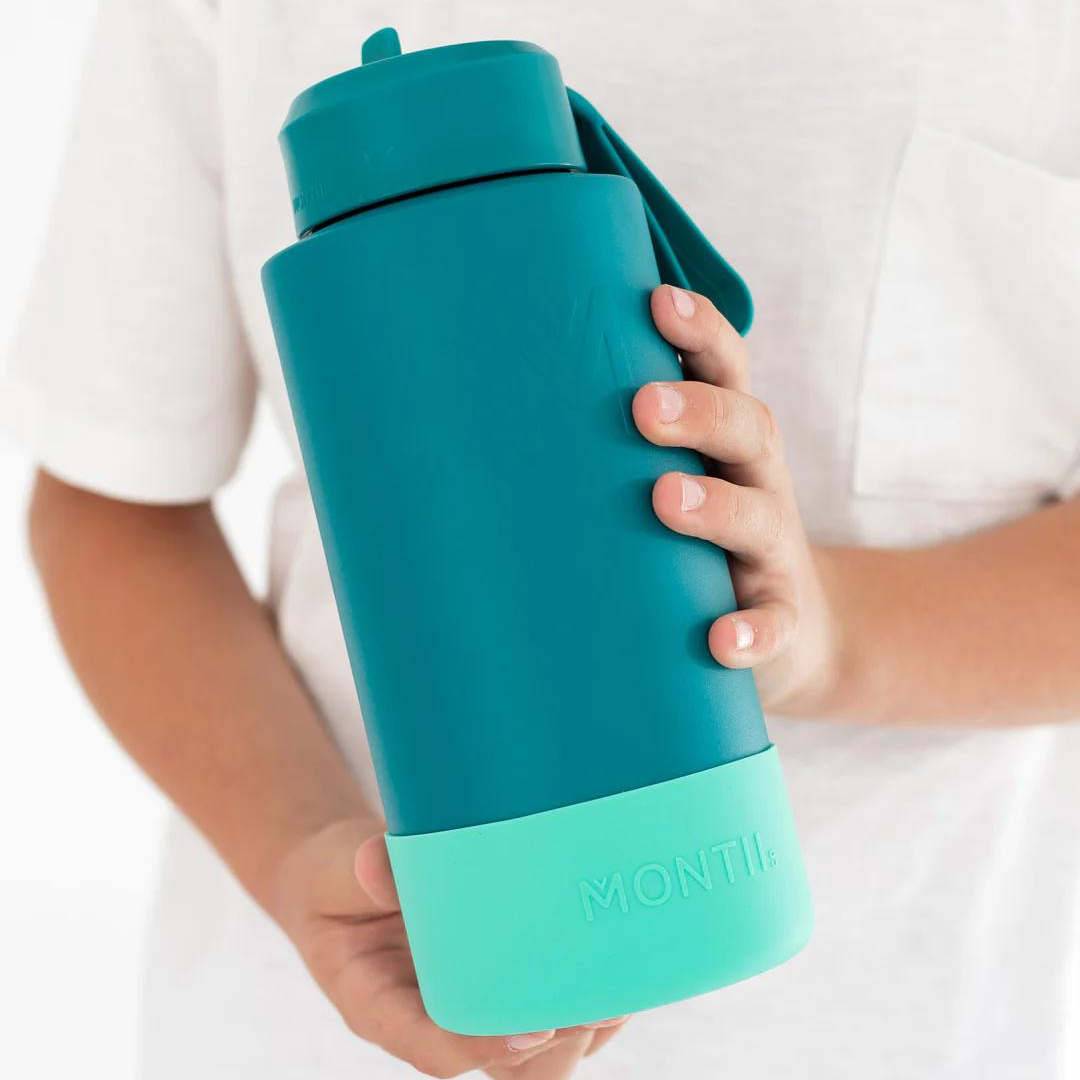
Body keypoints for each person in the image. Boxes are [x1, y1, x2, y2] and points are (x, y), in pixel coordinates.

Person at [5, 0, 1080, 1076]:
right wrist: (302, 853)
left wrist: (825, 632)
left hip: (912, 1014)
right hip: (315, 1014)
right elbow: (113, 504)